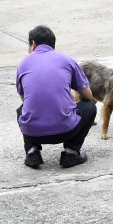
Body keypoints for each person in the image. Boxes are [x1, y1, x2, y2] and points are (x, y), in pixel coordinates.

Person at [15, 25, 97, 169]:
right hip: (66, 131)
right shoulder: (67, 60)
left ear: (33, 44)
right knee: (89, 106)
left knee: (22, 110)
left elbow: (25, 99)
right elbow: (87, 95)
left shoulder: (23, 64)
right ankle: (71, 152)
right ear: (52, 44)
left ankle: (32, 152)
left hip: (33, 133)